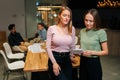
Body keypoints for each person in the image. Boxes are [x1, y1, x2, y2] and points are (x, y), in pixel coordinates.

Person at [46, 6, 76, 80]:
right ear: (59, 16)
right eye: (64, 15)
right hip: (55, 58)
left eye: (69, 16)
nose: (67, 18)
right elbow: (47, 47)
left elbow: (72, 45)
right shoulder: (52, 28)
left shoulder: (72, 29)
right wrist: (54, 63)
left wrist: (72, 56)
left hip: (67, 59)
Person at [79, 9, 108, 80]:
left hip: (94, 63)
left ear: (96, 21)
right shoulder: (82, 31)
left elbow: (106, 52)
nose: (88, 23)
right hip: (82, 61)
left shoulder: (101, 32)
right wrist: (78, 52)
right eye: (86, 20)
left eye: (91, 21)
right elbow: (81, 47)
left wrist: (91, 52)